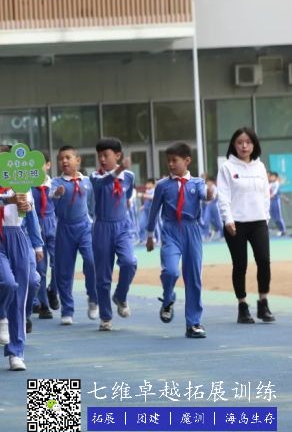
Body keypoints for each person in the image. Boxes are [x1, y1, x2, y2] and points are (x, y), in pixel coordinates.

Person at [0, 145, 43, 371]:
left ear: (7, 161)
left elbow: (28, 211)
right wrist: (12, 199)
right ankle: (0, 314)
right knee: (7, 283)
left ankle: (16, 352)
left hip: (18, 237)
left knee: (21, 294)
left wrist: (25, 204)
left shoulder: (23, 185)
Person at [146, 142, 210, 338]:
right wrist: (150, 235)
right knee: (171, 271)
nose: (171, 164)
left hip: (192, 231)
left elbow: (205, 196)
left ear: (187, 161)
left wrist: (210, 193)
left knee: (193, 278)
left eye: (175, 160)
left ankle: (193, 323)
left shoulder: (197, 183)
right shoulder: (162, 185)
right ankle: (168, 298)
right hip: (171, 231)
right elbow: (154, 210)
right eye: (168, 161)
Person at [217, 127, 275, 324]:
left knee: (264, 261)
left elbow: (265, 195)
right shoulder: (227, 167)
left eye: (248, 142)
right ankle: (242, 306)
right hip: (236, 224)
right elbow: (223, 196)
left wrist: (265, 218)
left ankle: (263, 303)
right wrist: (228, 219)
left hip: (259, 222)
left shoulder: (260, 167)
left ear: (254, 145)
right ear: (234, 145)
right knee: (240, 264)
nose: (244, 146)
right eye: (240, 142)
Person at [90, 138, 137, 332]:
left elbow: (127, 195)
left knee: (129, 262)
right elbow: (105, 182)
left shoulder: (129, 176)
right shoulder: (95, 176)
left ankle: (120, 296)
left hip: (122, 225)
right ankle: (105, 316)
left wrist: (122, 171)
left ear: (117, 155)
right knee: (103, 276)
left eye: (106, 155)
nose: (102, 159)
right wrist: (119, 170)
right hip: (102, 227)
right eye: (99, 156)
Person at [50, 146, 97, 325]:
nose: (64, 161)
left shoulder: (87, 182)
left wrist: (93, 221)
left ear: (78, 160)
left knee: (92, 261)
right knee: (64, 271)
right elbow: (50, 196)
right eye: (61, 158)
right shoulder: (56, 182)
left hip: (84, 227)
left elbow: (92, 204)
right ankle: (67, 309)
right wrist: (57, 194)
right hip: (64, 229)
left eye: (68, 157)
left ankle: (93, 297)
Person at [30, 153, 57, 320]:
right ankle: (43, 305)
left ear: (48, 165)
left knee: (59, 263)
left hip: (53, 226)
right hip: (37, 227)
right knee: (40, 268)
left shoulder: (55, 184)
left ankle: (53, 290)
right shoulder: (28, 187)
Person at [201, 177, 223, 241]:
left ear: (212, 182)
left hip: (214, 206)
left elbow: (214, 197)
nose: (209, 183)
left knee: (218, 222)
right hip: (207, 206)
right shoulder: (204, 187)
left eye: (210, 182)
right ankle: (206, 235)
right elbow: (202, 197)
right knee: (206, 220)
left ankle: (222, 234)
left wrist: (210, 193)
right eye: (207, 182)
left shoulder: (215, 188)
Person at [268, 172, 286, 236]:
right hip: (270, 201)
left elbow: (274, 194)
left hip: (276, 201)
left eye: (273, 176)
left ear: (276, 177)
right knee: (273, 217)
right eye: (271, 176)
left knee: (278, 216)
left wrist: (267, 197)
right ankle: (280, 230)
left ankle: (283, 230)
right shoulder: (270, 183)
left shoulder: (276, 183)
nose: (271, 177)